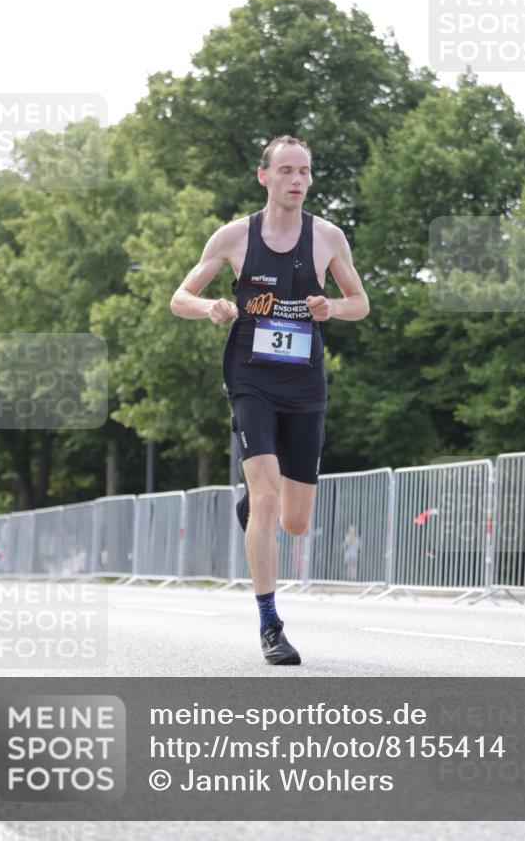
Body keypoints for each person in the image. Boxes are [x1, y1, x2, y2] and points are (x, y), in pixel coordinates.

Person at [169, 135, 369, 665]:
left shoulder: (327, 238)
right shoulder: (235, 237)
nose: (297, 180)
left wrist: (333, 309)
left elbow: (361, 303)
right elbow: (179, 297)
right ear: (264, 176)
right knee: (266, 498)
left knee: (295, 521)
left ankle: (253, 502)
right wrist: (209, 306)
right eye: (286, 170)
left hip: (304, 384)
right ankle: (270, 624)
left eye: (304, 171)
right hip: (250, 378)